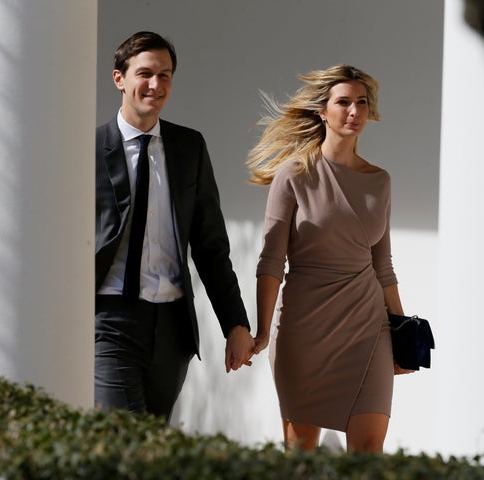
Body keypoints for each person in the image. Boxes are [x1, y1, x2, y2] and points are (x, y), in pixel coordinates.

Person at [247, 64, 412, 453]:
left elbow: (383, 266)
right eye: (343, 102)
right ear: (323, 110)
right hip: (305, 332)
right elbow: (271, 260)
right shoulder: (294, 175)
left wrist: (403, 333)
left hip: (367, 329)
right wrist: (263, 330)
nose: (353, 111)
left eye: (361, 103)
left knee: (369, 449)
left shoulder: (380, 180)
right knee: (300, 454)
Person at [95, 31, 254, 420]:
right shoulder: (90, 149)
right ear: (120, 78)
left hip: (172, 328)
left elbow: (211, 246)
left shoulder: (189, 147)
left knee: (152, 444)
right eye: (145, 74)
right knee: (123, 435)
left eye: (165, 75)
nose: (155, 84)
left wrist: (234, 323)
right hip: (110, 320)